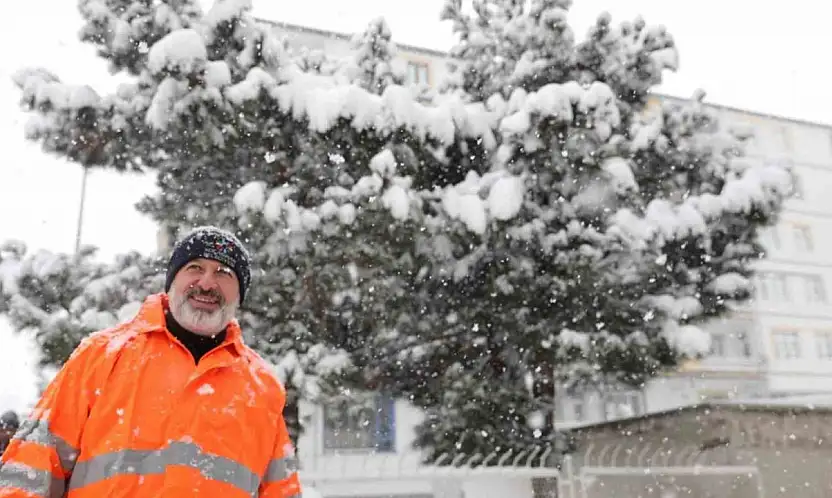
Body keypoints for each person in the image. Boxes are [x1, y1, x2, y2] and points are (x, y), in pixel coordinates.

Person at [0, 226, 302, 498]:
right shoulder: (101, 355)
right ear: (171, 281)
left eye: (224, 273)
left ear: (240, 294)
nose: (207, 283)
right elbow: (31, 468)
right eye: (195, 268)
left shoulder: (262, 387)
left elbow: (282, 491)